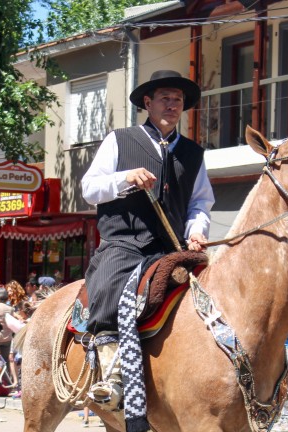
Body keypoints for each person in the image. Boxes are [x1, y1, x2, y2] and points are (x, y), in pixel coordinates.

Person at [81, 69, 214, 409]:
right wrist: (126, 177)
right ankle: (112, 376)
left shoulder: (193, 153)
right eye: (165, 98)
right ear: (147, 102)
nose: (172, 105)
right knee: (111, 285)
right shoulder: (120, 140)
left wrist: (196, 231)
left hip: (172, 248)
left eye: (178, 100)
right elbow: (89, 189)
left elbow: (200, 203)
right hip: (125, 242)